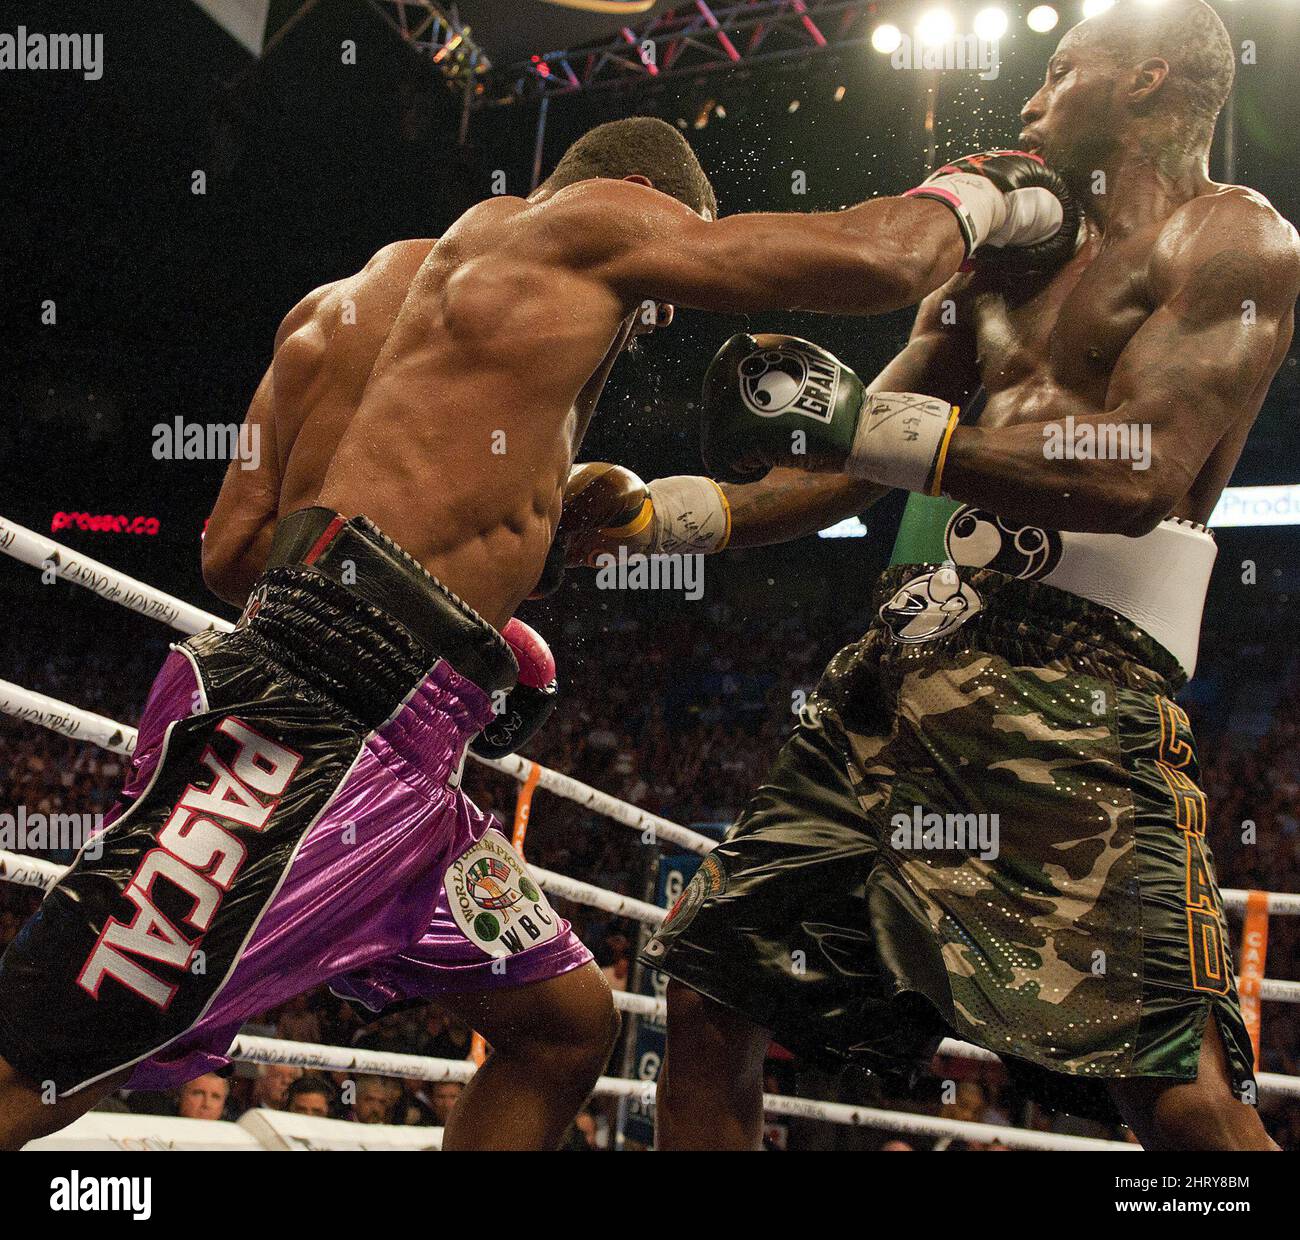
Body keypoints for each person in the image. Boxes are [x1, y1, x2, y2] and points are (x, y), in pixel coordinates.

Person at [0, 114, 1070, 1150]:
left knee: (564, 1028)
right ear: (651, 206)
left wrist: (492, 563)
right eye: (662, 290)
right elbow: (869, 262)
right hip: (308, 713)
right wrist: (991, 191)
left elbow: (237, 555)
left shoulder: (360, 306)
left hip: (406, 737)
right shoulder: (590, 219)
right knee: (46, 1059)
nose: (652, 318)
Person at [566, 2, 1300, 1150]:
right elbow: (853, 457)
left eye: (1059, 73)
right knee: (712, 982)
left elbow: (1141, 468)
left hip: (1078, 688)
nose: (1027, 102)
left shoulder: (1231, 240)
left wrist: (874, 432)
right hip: (899, 667)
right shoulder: (1006, 261)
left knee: (1171, 1087)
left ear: (1148, 79)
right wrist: (665, 515)